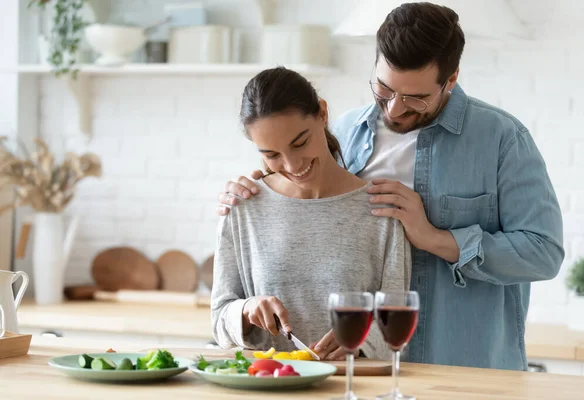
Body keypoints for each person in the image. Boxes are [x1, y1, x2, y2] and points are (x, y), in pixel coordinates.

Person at [215, 2, 564, 371]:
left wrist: (434, 238)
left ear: (451, 78)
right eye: (384, 88)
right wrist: (257, 187)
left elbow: (544, 252)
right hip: (370, 372)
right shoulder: (345, 133)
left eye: (415, 98)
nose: (395, 109)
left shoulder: (501, 140)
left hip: (465, 365)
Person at [210, 67, 412, 361]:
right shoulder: (243, 207)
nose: (292, 165)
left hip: (352, 388)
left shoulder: (381, 208)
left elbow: (396, 322)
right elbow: (219, 320)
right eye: (271, 154)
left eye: (300, 142)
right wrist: (246, 309)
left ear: (323, 114)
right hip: (269, 388)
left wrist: (363, 342)